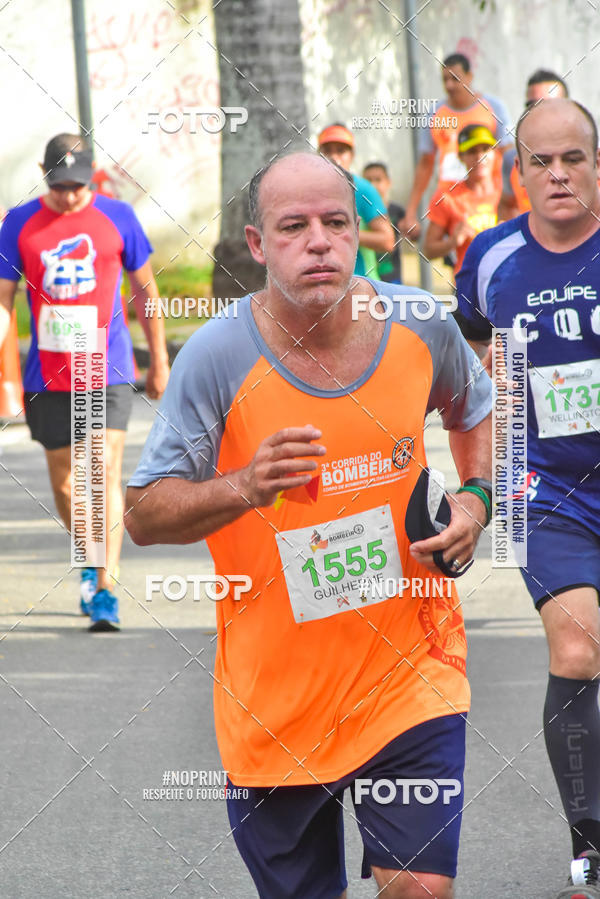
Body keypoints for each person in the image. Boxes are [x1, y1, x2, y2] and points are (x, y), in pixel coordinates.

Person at [125, 151, 492, 899]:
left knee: (421, 888)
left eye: (336, 223)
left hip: (410, 670)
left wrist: (477, 500)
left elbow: (478, 406)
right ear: (259, 245)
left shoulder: (422, 324)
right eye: (293, 227)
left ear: (360, 231)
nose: (319, 242)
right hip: (277, 699)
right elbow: (142, 512)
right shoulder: (218, 356)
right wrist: (244, 485)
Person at [455, 98, 600, 898]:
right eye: (540, 162)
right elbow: (468, 362)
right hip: (548, 488)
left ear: (596, 163)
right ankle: (589, 846)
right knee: (578, 647)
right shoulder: (490, 256)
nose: (557, 174)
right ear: (519, 173)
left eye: (572, 158)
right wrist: (481, 477)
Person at [0, 133, 169, 631]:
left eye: (77, 185)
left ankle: (104, 587)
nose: (69, 195)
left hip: (108, 369)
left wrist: (159, 358)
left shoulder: (119, 218)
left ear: (93, 174)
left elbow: (146, 291)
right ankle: (91, 556)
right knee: (68, 483)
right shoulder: (18, 223)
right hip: (47, 376)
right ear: (42, 170)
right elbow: (4, 301)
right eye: (59, 185)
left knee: (102, 473)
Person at [399, 52, 511, 238]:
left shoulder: (493, 107)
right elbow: (426, 163)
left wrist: (513, 198)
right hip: (451, 205)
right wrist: (411, 212)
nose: (449, 85)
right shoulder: (435, 113)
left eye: (455, 78)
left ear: (470, 77)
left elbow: (508, 157)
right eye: (445, 80)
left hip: (489, 202)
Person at [317, 123, 395, 278]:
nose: (334, 156)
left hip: (361, 283)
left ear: (351, 155)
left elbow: (387, 240)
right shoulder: (308, 189)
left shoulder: (363, 190)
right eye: (327, 151)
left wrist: (341, 232)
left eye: (341, 151)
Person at [423, 123, 500, 277]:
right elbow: (428, 250)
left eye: (485, 149)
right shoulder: (447, 197)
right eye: (472, 151)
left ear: (495, 153)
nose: (480, 157)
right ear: (460, 157)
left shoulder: (509, 192)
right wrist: (452, 241)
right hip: (468, 286)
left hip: (508, 281)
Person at [498, 69, 569, 221]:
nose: (540, 111)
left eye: (549, 104)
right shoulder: (513, 159)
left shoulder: (591, 155)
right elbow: (506, 204)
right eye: (532, 105)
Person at [362, 160, 408, 282]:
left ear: (388, 183)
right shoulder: (360, 213)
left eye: (378, 180)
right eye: (368, 180)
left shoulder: (397, 211)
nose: (373, 185)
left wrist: (411, 228)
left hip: (392, 276)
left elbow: (414, 234)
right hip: (368, 276)